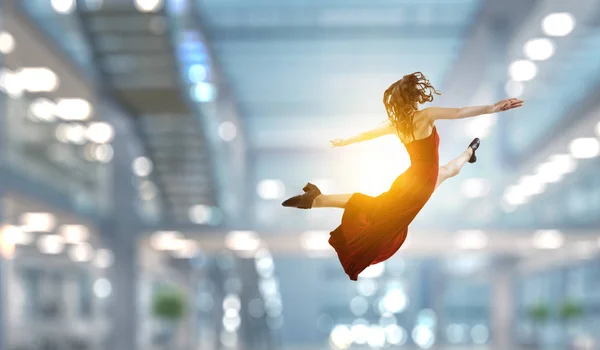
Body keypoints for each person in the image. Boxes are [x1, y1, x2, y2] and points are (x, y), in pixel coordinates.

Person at [282, 72, 524, 280]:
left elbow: (369, 134)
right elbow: (460, 112)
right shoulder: (425, 116)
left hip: (410, 180)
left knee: (443, 174)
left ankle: (471, 150)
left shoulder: (397, 124)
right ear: (414, 97)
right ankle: (317, 200)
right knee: (378, 206)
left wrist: (345, 142)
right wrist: (491, 108)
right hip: (422, 181)